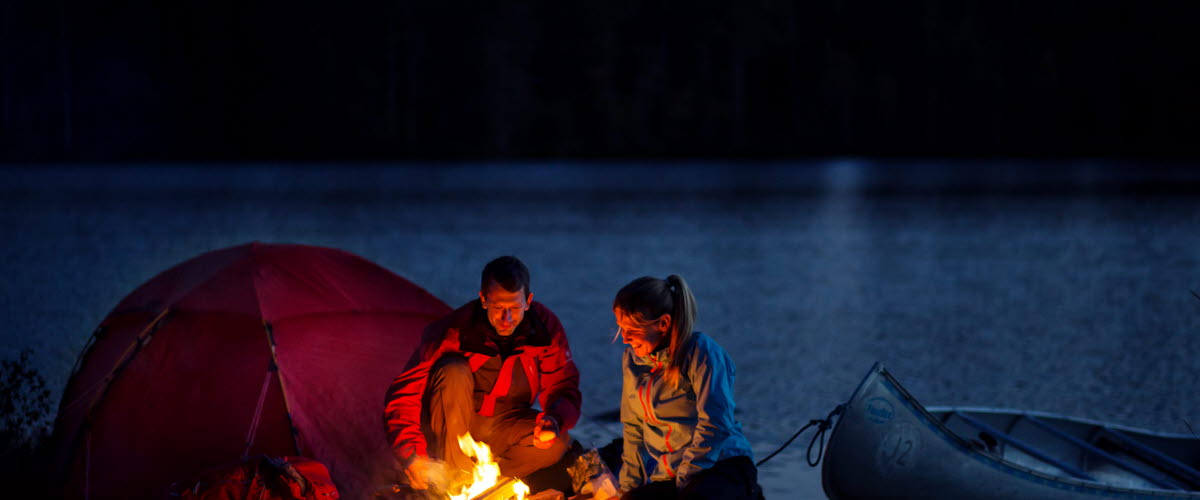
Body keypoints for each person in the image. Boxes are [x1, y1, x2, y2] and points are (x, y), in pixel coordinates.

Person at [384, 256, 582, 494]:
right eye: (498, 308)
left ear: (528, 301)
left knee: (556, 443)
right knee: (452, 370)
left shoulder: (544, 330)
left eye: (515, 308)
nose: (507, 319)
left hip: (506, 425)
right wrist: (413, 454)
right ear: (484, 299)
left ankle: (489, 484)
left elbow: (563, 386)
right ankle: (456, 482)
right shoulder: (455, 330)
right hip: (454, 427)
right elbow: (404, 396)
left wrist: (555, 420)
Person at [612, 275, 760, 500]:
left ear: (663, 324)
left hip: (721, 463)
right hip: (673, 471)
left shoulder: (701, 353)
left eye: (632, 329)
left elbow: (715, 424)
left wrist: (684, 480)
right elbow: (633, 427)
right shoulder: (633, 360)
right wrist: (627, 488)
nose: (624, 338)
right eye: (620, 328)